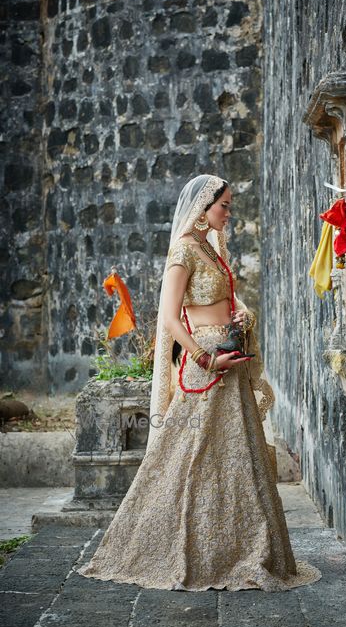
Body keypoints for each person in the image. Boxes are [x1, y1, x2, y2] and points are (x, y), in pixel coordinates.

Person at [77, 174, 322, 591]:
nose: (229, 212)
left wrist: (241, 315)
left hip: (231, 357)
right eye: (223, 205)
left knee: (235, 457)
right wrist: (205, 357)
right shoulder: (183, 251)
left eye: (229, 205)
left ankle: (241, 548)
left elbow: (225, 300)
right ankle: (161, 545)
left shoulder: (214, 247)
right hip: (205, 364)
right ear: (203, 206)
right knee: (186, 453)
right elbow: (171, 319)